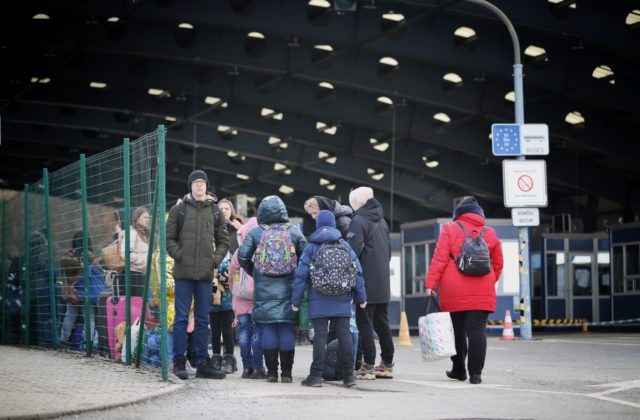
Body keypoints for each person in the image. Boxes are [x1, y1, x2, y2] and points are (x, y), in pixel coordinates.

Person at [424, 196, 503, 385]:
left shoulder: (450, 229)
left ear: (458, 214)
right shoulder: (490, 232)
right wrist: (489, 280)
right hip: (483, 290)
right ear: (479, 215)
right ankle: (476, 374)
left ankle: (459, 369)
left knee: (457, 331)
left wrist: (431, 284)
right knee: (477, 330)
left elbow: (440, 258)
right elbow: (499, 263)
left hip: (454, 289)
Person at [291, 210, 367, 388]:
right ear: (333, 224)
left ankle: (316, 376)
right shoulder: (344, 244)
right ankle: (349, 376)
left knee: (320, 337)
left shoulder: (312, 247)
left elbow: (301, 276)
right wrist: (361, 297)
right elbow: (357, 271)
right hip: (342, 297)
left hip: (319, 297)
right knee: (345, 334)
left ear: (318, 225)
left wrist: (295, 301)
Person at [166, 169, 230, 380]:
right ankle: (179, 361)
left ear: (206, 186)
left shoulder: (215, 211)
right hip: (183, 272)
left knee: (203, 319)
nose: (199, 185)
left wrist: (214, 261)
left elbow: (224, 241)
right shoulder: (179, 210)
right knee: (181, 318)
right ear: (190, 186)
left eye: (202, 182)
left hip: (204, 273)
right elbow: (169, 238)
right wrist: (180, 255)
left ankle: (202, 362)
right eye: (195, 182)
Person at [238, 195, 307, 383]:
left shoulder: (256, 233)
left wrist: (256, 272)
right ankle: (286, 373)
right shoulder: (293, 232)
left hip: (264, 290)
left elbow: (242, 257)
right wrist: (295, 273)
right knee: (286, 329)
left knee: (268, 329)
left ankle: (271, 373)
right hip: (289, 290)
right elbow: (306, 257)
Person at [347, 186, 395, 380]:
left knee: (364, 322)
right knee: (382, 322)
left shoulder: (358, 221)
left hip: (365, 280)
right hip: (382, 281)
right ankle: (387, 364)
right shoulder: (382, 221)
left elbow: (352, 252)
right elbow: (389, 252)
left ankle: (367, 366)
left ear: (357, 201)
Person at [228, 217, 267, 380]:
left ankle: (246, 368)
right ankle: (258, 368)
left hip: (241, 300)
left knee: (244, 335)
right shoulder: (263, 250)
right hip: (259, 299)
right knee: (257, 334)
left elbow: (231, 276)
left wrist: (234, 292)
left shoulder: (239, 252)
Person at [209, 252, 236, 373]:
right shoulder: (209, 256)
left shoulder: (231, 258)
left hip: (228, 301)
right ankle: (216, 358)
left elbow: (235, 277)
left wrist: (223, 277)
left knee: (227, 332)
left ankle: (229, 359)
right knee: (215, 332)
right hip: (212, 301)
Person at [121, 206, 151, 297]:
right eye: (144, 217)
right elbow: (125, 253)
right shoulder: (133, 233)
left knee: (140, 306)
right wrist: (143, 260)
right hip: (133, 275)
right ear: (137, 220)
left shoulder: (143, 235)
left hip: (140, 274)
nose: (147, 220)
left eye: (148, 217)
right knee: (137, 307)